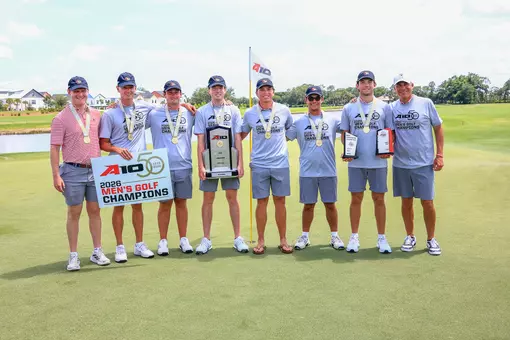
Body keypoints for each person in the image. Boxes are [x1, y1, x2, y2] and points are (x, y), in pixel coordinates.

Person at [50, 76, 111, 271]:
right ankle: (74, 255)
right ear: (69, 92)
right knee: (74, 213)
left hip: (95, 171)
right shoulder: (60, 118)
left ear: (87, 91)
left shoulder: (96, 114)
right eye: (76, 91)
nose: (80, 94)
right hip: (72, 171)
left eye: (83, 90)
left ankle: (97, 251)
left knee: (95, 212)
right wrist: (55, 175)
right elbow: (54, 149)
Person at [99, 72, 155, 262]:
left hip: (138, 163)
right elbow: (103, 143)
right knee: (119, 206)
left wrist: (186, 105)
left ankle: (139, 244)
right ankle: (120, 247)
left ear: (135, 88)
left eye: (131, 87)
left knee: (137, 205)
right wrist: (117, 148)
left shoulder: (145, 107)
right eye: (125, 87)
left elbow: (169, 108)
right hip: (117, 163)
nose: (128, 90)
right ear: (118, 89)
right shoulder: (109, 113)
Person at [340, 71, 394, 254]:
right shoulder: (349, 108)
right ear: (357, 86)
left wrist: (388, 151)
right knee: (356, 199)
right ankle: (354, 237)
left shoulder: (384, 107)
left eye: (369, 82)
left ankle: (382, 238)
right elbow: (344, 134)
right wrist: (348, 151)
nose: (366, 85)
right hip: (356, 162)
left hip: (378, 161)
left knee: (379, 199)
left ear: (374, 84)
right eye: (363, 82)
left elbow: (389, 132)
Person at [194, 75, 249, 255]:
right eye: (214, 87)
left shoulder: (233, 110)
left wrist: (240, 162)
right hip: (210, 162)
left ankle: (237, 238)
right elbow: (200, 140)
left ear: (225, 90)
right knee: (208, 199)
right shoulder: (202, 111)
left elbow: (238, 138)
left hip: (229, 161)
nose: (217, 90)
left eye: (220, 87)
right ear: (209, 90)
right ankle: (206, 239)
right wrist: (201, 165)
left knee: (232, 198)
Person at [286, 86, 345, 251]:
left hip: (328, 170)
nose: (314, 101)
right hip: (307, 171)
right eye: (310, 98)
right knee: (308, 205)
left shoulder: (332, 120)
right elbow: (281, 136)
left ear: (322, 99)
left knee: (330, 204)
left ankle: (334, 236)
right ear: (306, 100)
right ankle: (305, 236)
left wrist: (352, 105)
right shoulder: (298, 123)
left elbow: (349, 126)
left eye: (316, 98)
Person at [391, 73, 444, 255]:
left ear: (412, 85)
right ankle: (410, 236)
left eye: (405, 84)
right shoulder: (392, 108)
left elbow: (437, 128)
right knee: (406, 202)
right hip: (401, 164)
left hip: (424, 163)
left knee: (427, 202)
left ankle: (431, 239)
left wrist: (440, 155)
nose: (402, 88)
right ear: (395, 89)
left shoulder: (425, 103)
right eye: (399, 85)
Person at [240, 78, 293, 255]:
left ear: (273, 92)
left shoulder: (284, 110)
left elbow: (291, 130)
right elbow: (240, 134)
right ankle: (261, 241)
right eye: (262, 90)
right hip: (259, 165)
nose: (266, 93)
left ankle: (283, 240)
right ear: (257, 93)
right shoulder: (249, 113)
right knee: (261, 202)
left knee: (280, 201)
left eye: (269, 89)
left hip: (280, 164)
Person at [146, 80, 195, 254]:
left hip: (184, 166)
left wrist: (226, 102)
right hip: (161, 167)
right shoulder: (154, 114)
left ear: (181, 94)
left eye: (176, 92)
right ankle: (163, 241)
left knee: (182, 203)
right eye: (170, 92)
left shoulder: (190, 113)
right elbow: (133, 112)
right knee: (165, 204)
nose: (173, 95)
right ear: (165, 95)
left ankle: (183, 239)